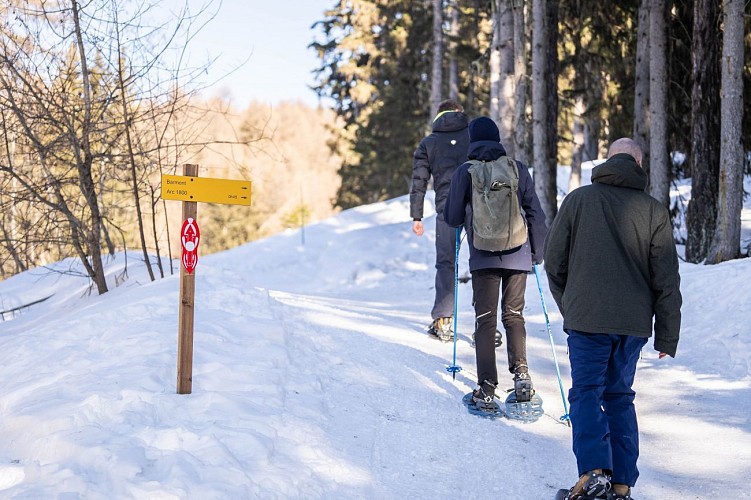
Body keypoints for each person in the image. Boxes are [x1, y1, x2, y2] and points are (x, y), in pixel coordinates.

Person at [543, 138, 682, 500]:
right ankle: (621, 484)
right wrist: (667, 335)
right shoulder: (653, 209)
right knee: (619, 396)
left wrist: (571, 305)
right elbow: (666, 279)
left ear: (608, 161)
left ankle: (594, 476)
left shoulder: (578, 200)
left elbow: (553, 262)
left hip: (586, 319)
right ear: (638, 163)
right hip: (632, 325)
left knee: (587, 392)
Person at [443, 116, 547, 404]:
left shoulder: (466, 171)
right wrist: (537, 252)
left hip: (482, 256)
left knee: (486, 319)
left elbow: (451, 218)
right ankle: (522, 375)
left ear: (472, 141)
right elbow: (535, 212)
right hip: (518, 253)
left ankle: (487, 388)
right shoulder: (517, 168)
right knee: (514, 315)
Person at [410, 99, 469, 341]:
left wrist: (417, 215)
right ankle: (485, 324)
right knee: (482, 261)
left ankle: (443, 321)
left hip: (447, 207)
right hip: (478, 205)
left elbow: (419, 181)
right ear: (459, 112)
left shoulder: (428, 143)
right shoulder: (473, 134)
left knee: (446, 262)